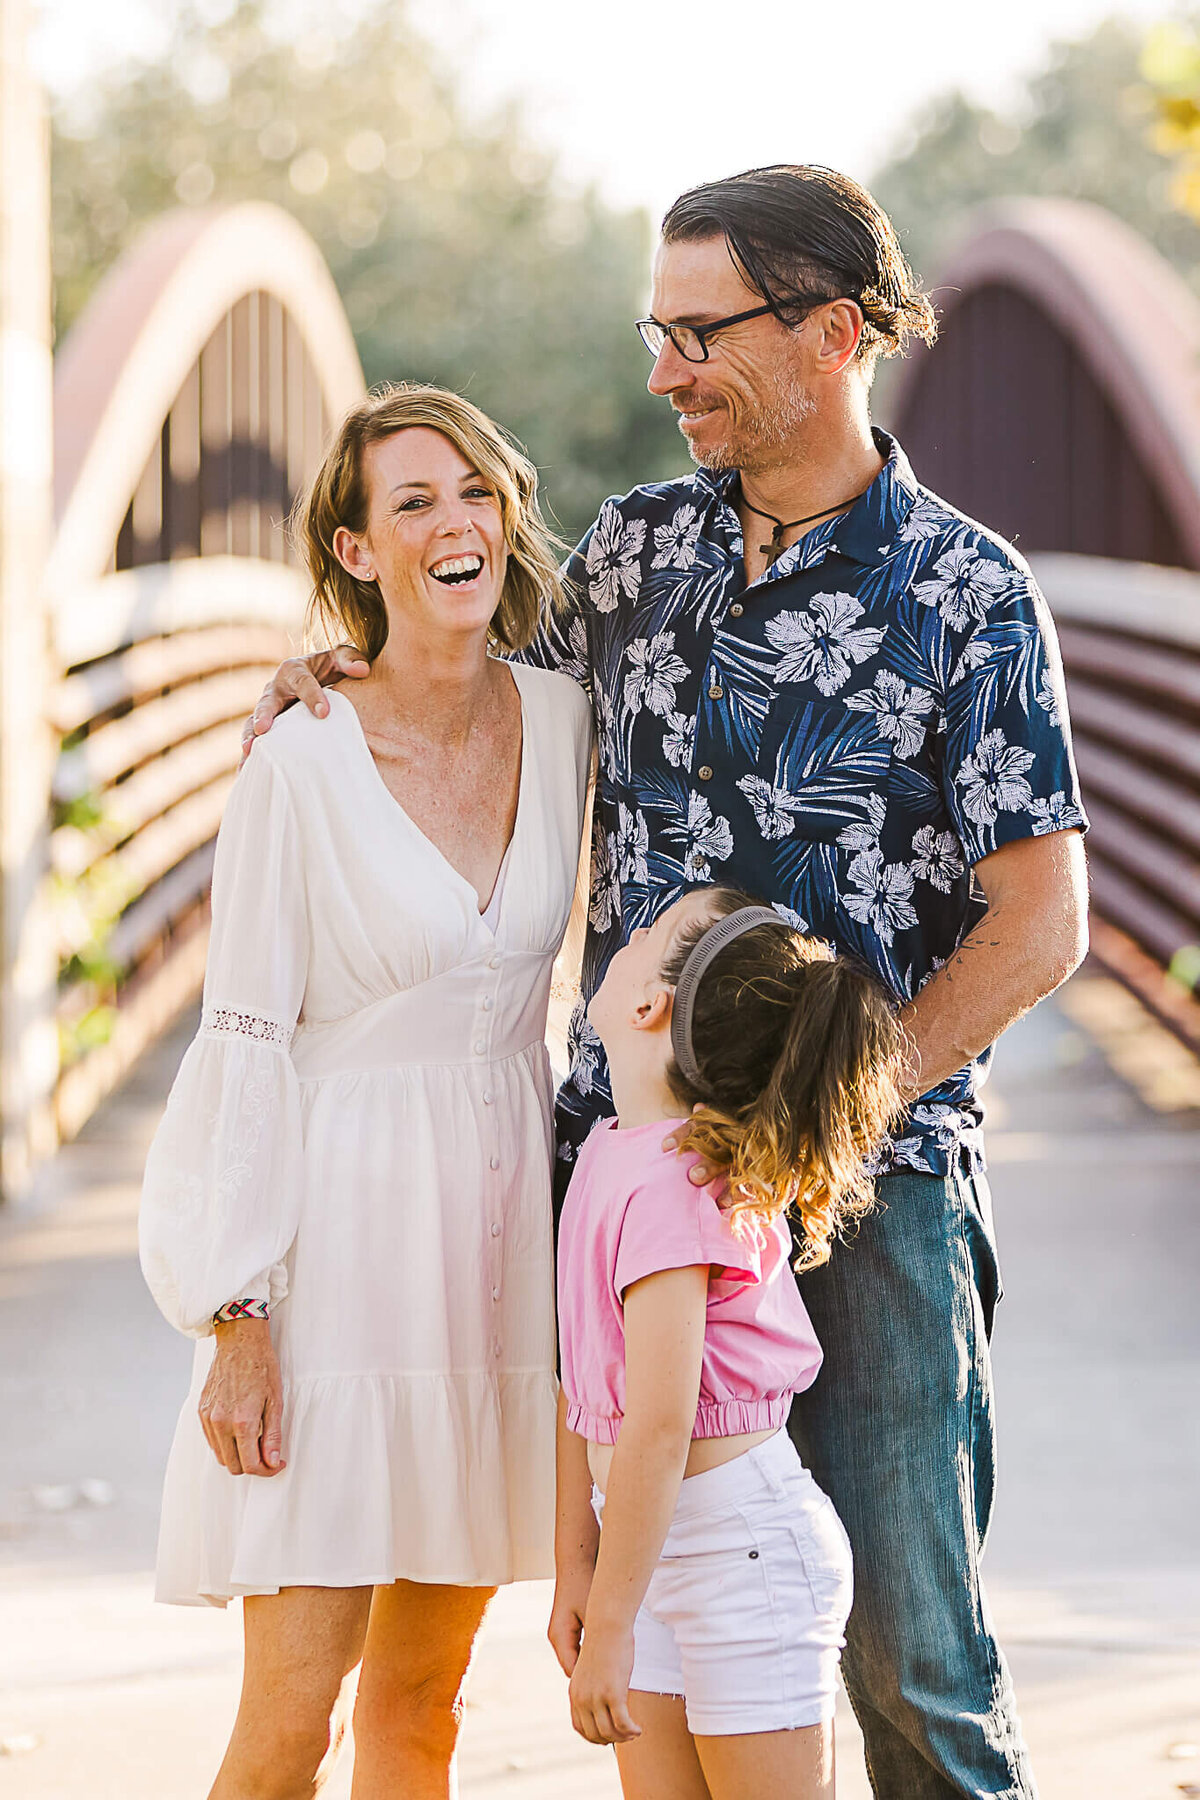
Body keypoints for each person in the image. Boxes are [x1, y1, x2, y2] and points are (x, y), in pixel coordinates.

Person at [246, 166, 1090, 1798]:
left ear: (832, 332)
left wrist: (820, 1120)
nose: (662, 371)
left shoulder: (971, 593)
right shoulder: (629, 559)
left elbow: (1038, 922)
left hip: (875, 1193)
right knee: (653, 1650)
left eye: (700, 332)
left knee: (915, 1660)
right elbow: (467, 704)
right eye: (658, 329)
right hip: (625, 1196)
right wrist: (339, 667)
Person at [139, 382, 592, 1800]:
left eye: (473, 489)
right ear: (354, 554)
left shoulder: (570, 721)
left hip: (493, 1266)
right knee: (291, 1718)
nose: (455, 523)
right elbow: (247, 1039)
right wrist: (239, 1315)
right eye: (412, 502)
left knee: (423, 1703)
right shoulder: (304, 756)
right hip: (333, 1272)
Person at [551, 887, 906, 1800]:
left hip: (741, 1560)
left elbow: (661, 1427)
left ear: (648, 1005)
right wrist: (577, 1566)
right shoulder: (609, 1152)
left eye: (651, 932)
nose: (626, 938)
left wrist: (617, 1620)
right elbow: (585, 1385)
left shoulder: (673, 1187)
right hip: (648, 1549)